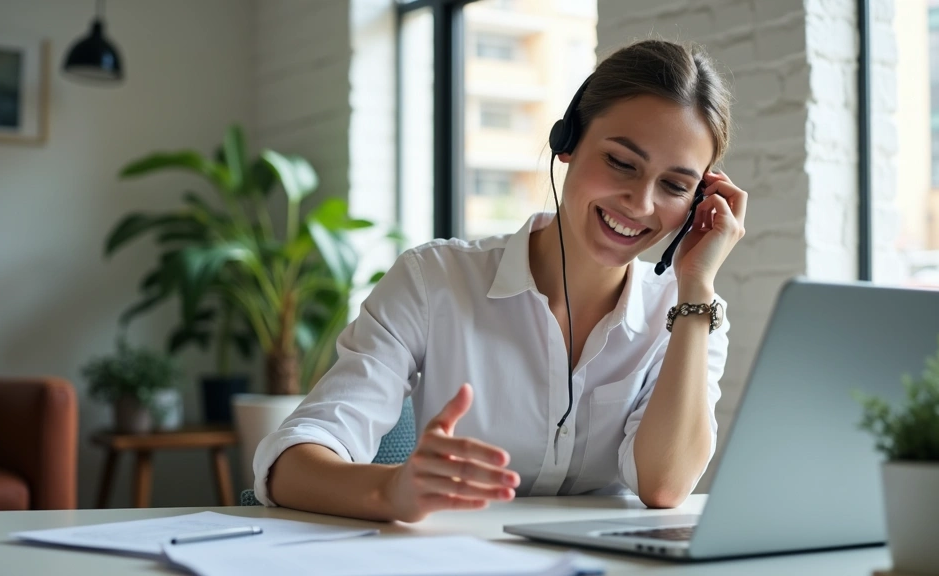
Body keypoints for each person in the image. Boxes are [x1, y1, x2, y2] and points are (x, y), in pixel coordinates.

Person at [254, 38, 748, 523]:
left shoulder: (690, 314)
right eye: (620, 162)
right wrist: (391, 490)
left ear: (699, 201)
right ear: (568, 142)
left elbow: (663, 486)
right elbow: (289, 466)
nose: (640, 204)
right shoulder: (433, 281)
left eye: (675, 186)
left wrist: (696, 287)